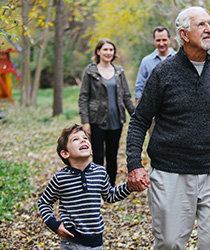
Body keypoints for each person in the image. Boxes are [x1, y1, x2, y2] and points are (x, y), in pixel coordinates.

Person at [126, 6, 210, 250]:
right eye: (202, 25)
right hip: (170, 173)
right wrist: (134, 164)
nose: (209, 29)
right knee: (170, 243)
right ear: (184, 34)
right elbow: (140, 120)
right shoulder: (163, 72)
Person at [38, 124, 132, 249]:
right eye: (75, 139)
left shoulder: (100, 172)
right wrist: (54, 225)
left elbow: (110, 196)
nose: (82, 140)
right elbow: (44, 203)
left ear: (91, 150)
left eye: (85, 138)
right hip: (71, 240)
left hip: (96, 240)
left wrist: (129, 187)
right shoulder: (60, 178)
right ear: (65, 153)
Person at [79, 38, 135, 187]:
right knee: (98, 157)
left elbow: (126, 96)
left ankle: (110, 188)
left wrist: (136, 116)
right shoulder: (90, 71)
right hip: (96, 121)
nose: (108, 52)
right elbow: (83, 97)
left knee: (112, 156)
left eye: (111, 50)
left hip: (116, 120)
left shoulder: (119, 71)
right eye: (105, 49)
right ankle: (97, 189)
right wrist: (85, 121)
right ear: (98, 52)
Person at [134, 26, 176, 105]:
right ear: (154, 41)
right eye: (158, 40)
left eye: (164, 40)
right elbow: (140, 87)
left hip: (175, 108)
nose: (161, 43)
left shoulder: (179, 59)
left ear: (170, 40)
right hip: (153, 109)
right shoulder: (146, 62)